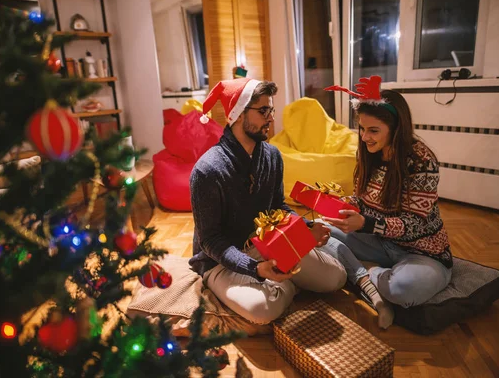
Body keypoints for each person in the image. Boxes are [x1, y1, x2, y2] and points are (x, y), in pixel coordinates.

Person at [189, 78, 347, 325]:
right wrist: (255, 269)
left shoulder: (272, 155)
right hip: (220, 261)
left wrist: (305, 229)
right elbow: (209, 241)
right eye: (263, 111)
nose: (271, 118)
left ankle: (278, 283)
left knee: (336, 278)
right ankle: (282, 285)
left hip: (268, 242)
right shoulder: (208, 170)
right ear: (238, 114)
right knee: (262, 311)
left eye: (271, 110)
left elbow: (279, 207)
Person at [321, 76, 453, 329]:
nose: (364, 136)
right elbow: (362, 201)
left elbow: (416, 224)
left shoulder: (420, 161)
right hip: (380, 243)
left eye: (373, 130)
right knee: (316, 226)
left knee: (403, 289)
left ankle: (369, 271)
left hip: (421, 252)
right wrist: (341, 205)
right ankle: (367, 277)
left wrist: (366, 223)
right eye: (361, 128)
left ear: (395, 128)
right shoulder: (368, 156)